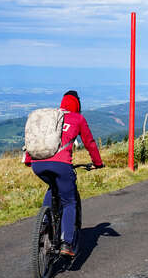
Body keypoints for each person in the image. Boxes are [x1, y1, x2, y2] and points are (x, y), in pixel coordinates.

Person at [25, 90, 104, 257]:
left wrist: (28, 159)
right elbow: (89, 143)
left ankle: (45, 225)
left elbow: (35, 138)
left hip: (37, 164)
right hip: (61, 166)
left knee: (52, 187)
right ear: (78, 105)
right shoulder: (78, 119)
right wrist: (98, 163)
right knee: (69, 202)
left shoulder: (51, 118)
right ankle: (67, 243)